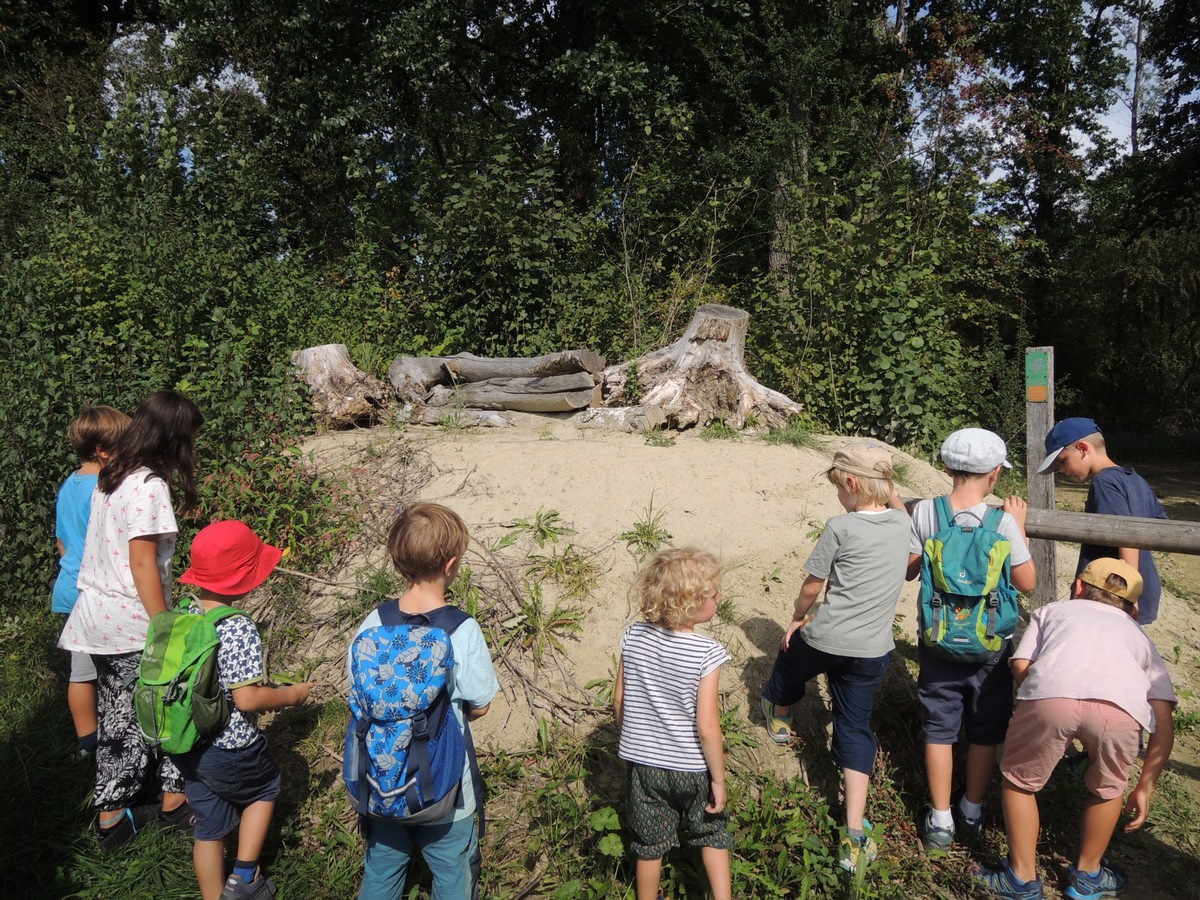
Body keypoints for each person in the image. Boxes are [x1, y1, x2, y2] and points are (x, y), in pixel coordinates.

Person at [973, 558, 1175, 900]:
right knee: (1108, 789)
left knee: (1020, 783)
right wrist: (1145, 786)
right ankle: (1089, 875)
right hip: (1120, 711)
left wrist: (1039, 697)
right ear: (1135, 609)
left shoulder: (1053, 611)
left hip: (1053, 697)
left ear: (1078, 587)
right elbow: (1164, 717)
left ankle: (1022, 878)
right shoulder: (1139, 637)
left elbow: (1022, 663)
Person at [58, 390, 205, 851]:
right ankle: (159, 809)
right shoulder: (148, 484)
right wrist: (164, 624)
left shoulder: (113, 475)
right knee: (165, 711)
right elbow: (141, 562)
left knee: (120, 715)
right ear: (174, 437)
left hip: (96, 615)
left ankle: (124, 814)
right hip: (131, 619)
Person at [760, 441, 911, 871]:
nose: (837, 497)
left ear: (850, 483)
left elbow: (813, 583)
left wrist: (796, 617)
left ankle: (780, 712)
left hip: (825, 638)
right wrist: (887, 484)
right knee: (855, 727)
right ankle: (856, 831)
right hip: (871, 652)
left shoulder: (839, 527)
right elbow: (897, 504)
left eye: (838, 487)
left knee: (790, 663)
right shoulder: (904, 525)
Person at [351, 503, 499, 900]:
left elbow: (360, 696)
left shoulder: (373, 623)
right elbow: (481, 703)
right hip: (446, 786)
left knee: (382, 870)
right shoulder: (461, 629)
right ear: (452, 565)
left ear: (398, 562)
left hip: (382, 782)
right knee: (452, 869)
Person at [907, 428, 1037, 851]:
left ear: (946, 468)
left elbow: (910, 569)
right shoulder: (1002, 521)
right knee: (984, 728)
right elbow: (1028, 581)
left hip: (938, 639)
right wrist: (1018, 527)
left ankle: (940, 818)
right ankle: (972, 809)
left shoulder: (925, 512)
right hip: (990, 645)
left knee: (939, 729)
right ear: (995, 474)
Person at [172, 520, 316, 900]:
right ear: (246, 579)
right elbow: (247, 698)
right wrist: (291, 695)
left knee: (208, 827)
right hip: (231, 746)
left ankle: (213, 896)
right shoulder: (237, 627)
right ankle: (244, 880)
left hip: (187, 743)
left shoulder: (184, 611)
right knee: (264, 788)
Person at [615, 548, 733, 900]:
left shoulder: (633, 637)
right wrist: (718, 779)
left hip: (645, 764)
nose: (719, 598)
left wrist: (629, 744)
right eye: (713, 595)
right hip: (693, 767)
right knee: (711, 833)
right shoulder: (707, 652)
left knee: (649, 844)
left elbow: (620, 699)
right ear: (690, 604)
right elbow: (707, 725)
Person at [1036, 417, 1169, 626]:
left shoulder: (1104, 483)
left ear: (1082, 448)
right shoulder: (1136, 480)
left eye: (1062, 461)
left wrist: (1128, 594)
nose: (1062, 470)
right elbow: (1160, 526)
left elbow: (1126, 536)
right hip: (1134, 588)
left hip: (1112, 593)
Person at [52, 405, 130, 759]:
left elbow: (62, 542)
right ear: (104, 450)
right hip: (93, 591)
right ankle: (113, 739)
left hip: (69, 585)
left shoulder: (69, 485)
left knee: (80, 672)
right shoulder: (103, 487)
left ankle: (87, 739)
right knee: (102, 669)